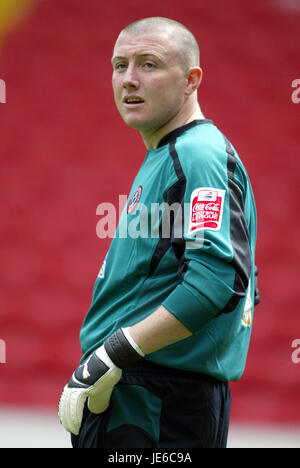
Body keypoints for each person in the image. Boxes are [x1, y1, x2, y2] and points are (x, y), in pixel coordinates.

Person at [58, 16, 259, 449]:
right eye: (119, 65)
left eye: (148, 64)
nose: (129, 80)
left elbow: (219, 280)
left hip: (156, 401)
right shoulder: (170, 154)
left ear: (191, 80)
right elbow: (246, 280)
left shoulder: (198, 154)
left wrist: (114, 351)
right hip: (144, 393)